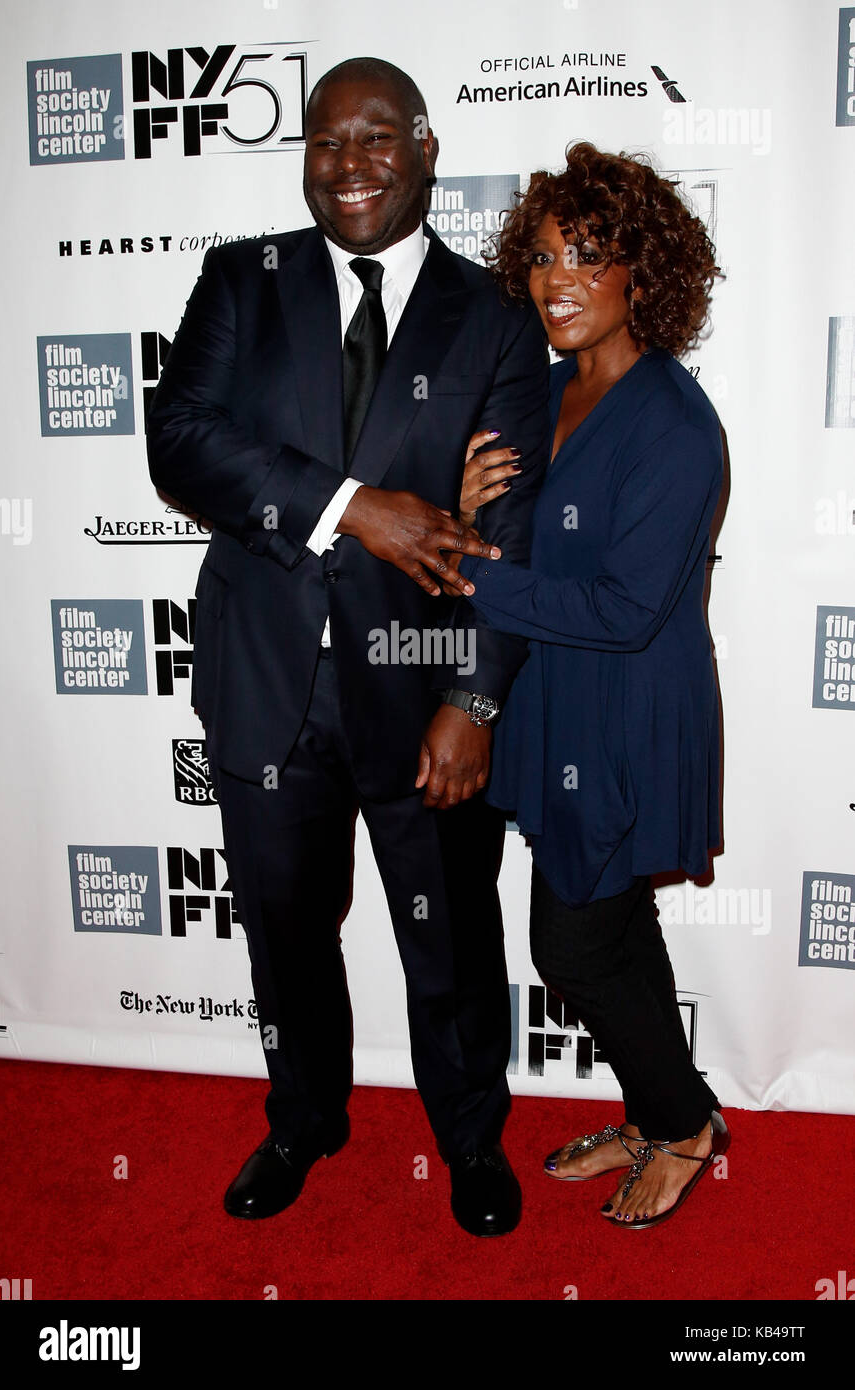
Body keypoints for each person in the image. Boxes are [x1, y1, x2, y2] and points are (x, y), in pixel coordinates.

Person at [146, 57, 550, 1237]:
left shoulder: (494, 321)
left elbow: (511, 530)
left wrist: (474, 701)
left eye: (377, 137)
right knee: (282, 928)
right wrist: (351, 503)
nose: (350, 162)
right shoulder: (242, 280)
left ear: (426, 147)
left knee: (453, 937)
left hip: (423, 686)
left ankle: (471, 1137)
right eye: (325, 142)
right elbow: (179, 443)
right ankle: (301, 1117)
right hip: (266, 681)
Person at [453, 142, 729, 1229]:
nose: (555, 278)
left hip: (622, 715)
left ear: (639, 274)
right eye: (542, 254)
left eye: (588, 254)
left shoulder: (674, 424)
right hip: (555, 701)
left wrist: (473, 579)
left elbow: (621, 608)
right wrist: (469, 507)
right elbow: (529, 551)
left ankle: (684, 1126)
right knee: (608, 929)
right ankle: (655, 1107)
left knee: (568, 942)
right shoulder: (551, 387)